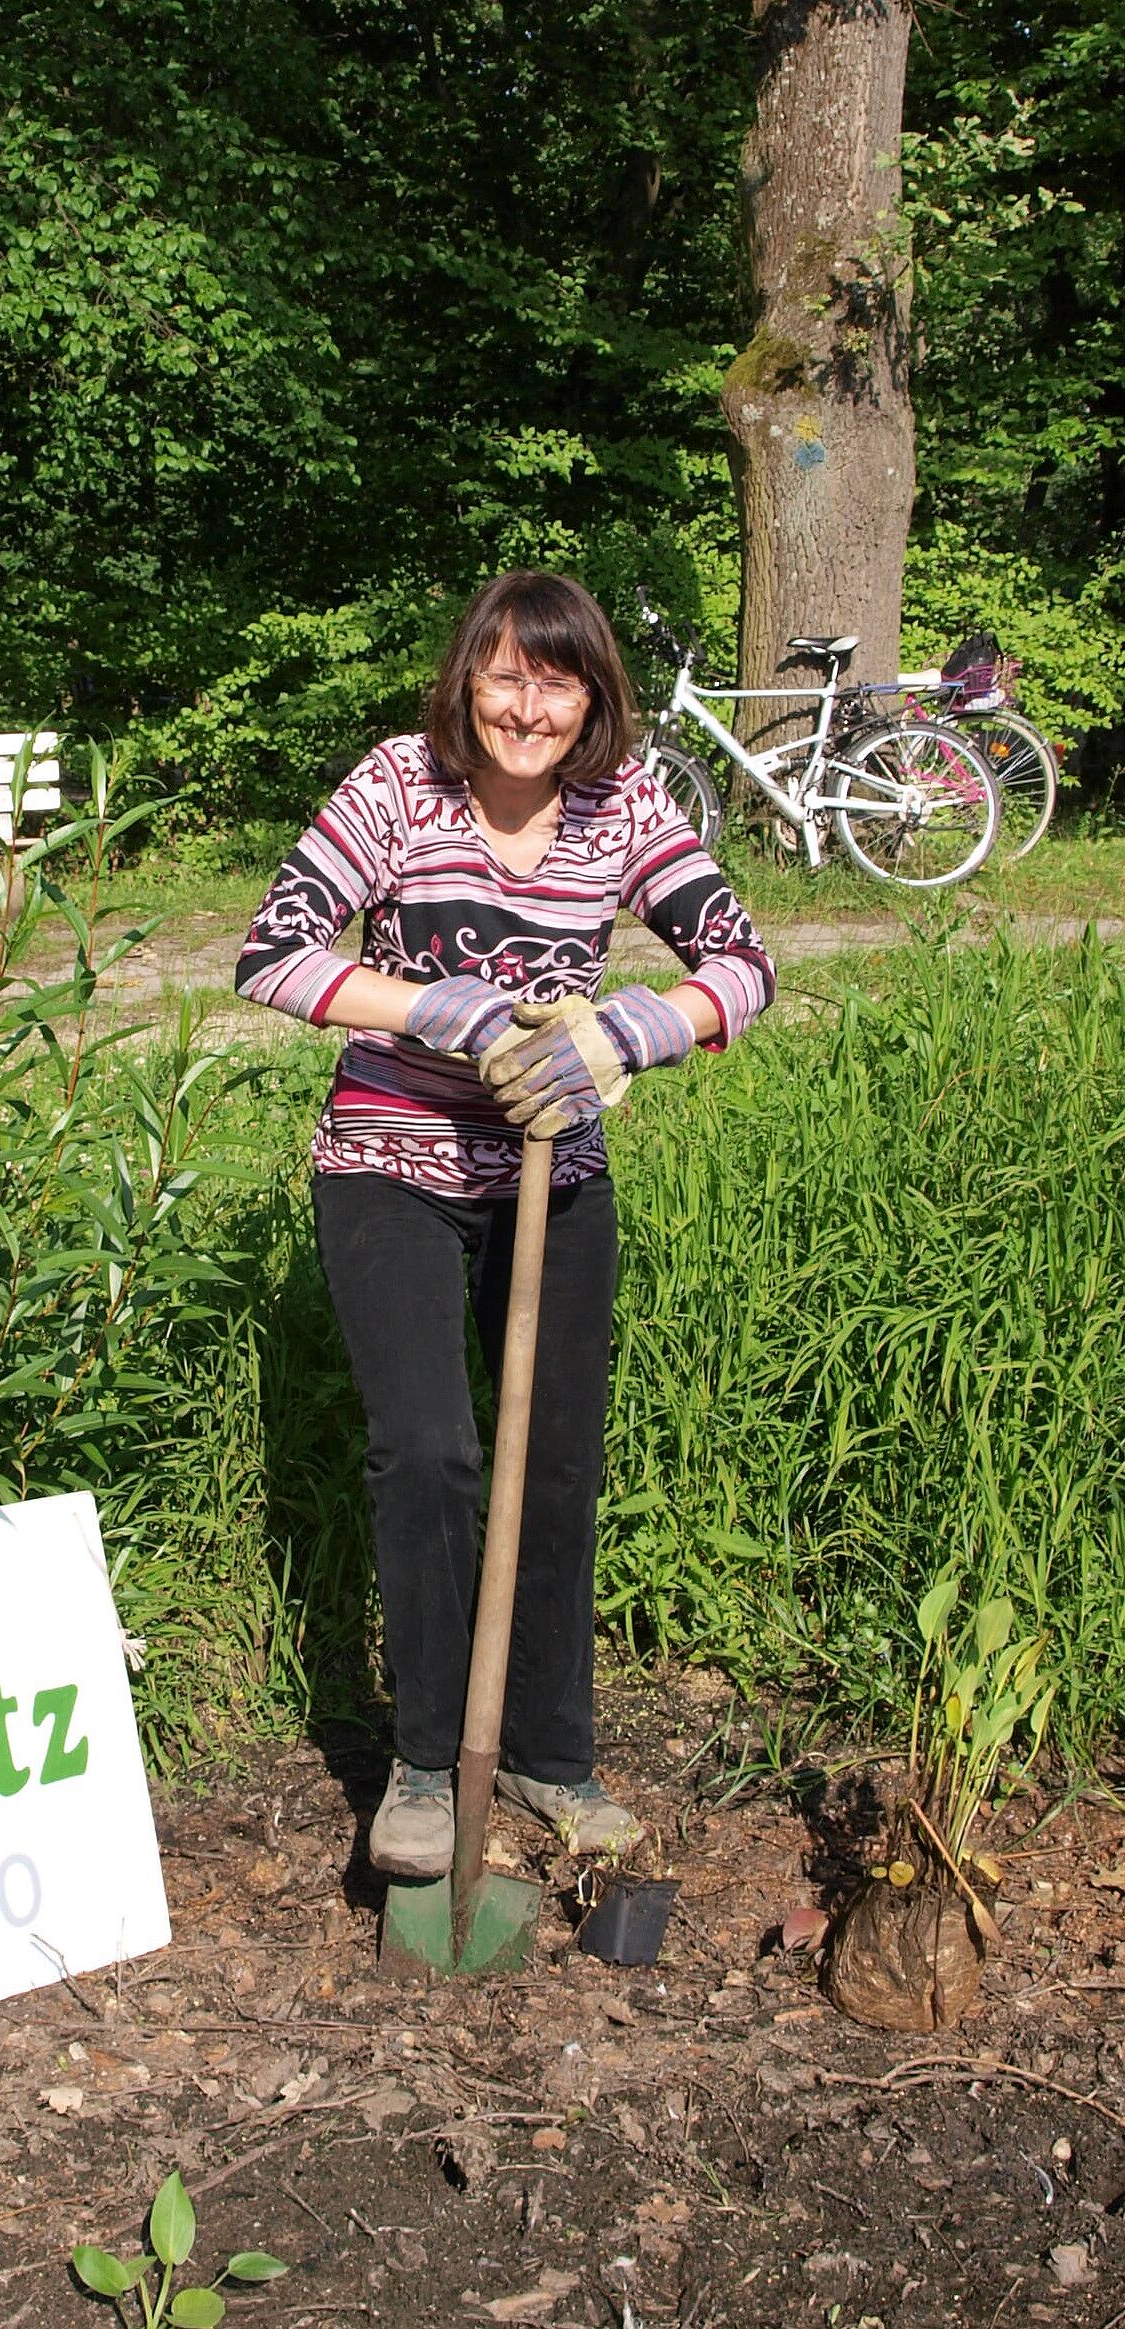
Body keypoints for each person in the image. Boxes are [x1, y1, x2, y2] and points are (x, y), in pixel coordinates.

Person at [235, 570, 775, 1877]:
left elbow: (745, 963)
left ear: (592, 694)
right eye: (502, 673)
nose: (525, 706)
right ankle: (427, 1763)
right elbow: (272, 951)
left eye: (556, 678)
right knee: (429, 1451)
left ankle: (543, 1752)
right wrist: (439, 1011)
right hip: (389, 1164)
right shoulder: (398, 786)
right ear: (465, 677)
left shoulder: (622, 802)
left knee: (553, 1468)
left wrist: (629, 1029)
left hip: (552, 1172)